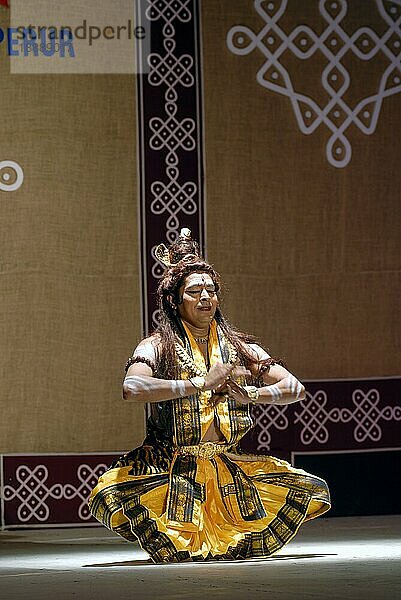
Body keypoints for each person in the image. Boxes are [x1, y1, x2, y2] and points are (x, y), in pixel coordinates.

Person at [89, 228, 330, 563]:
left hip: (226, 465)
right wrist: (198, 383)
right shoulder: (158, 346)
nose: (206, 297)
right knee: (114, 494)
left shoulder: (240, 348)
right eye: (195, 291)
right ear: (174, 300)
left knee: (305, 488)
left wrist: (252, 395)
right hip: (175, 466)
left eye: (211, 290)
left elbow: (294, 388)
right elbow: (133, 388)